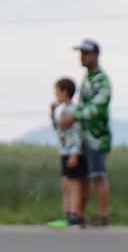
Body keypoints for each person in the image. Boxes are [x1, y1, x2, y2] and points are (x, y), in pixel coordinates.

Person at [60, 40, 112, 227]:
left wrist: (74, 117)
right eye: (81, 53)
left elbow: (97, 107)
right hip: (83, 136)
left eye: (86, 53)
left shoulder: (102, 80)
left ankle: (102, 215)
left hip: (97, 136)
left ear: (96, 55)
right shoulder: (87, 79)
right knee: (83, 177)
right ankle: (79, 214)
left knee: (98, 175)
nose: (82, 57)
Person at [47, 77, 87, 229]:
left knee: (73, 183)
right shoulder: (64, 111)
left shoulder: (73, 111)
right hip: (65, 151)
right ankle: (67, 213)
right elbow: (59, 128)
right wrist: (52, 114)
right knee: (65, 183)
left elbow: (77, 133)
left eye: (57, 91)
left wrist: (74, 153)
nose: (55, 94)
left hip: (72, 152)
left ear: (65, 92)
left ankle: (74, 215)